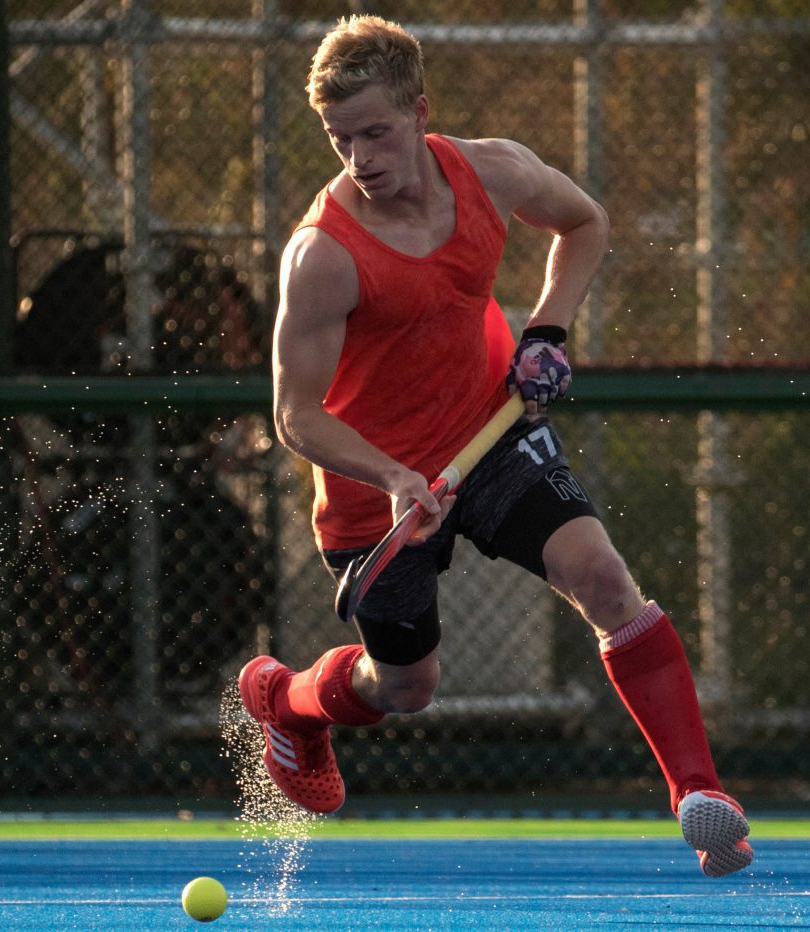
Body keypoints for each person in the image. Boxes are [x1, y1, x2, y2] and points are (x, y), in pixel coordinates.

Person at [238, 15, 753, 878]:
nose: (359, 157)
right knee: (406, 688)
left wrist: (548, 328)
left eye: (375, 132)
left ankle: (703, 799)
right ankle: (290, 705)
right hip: (379, 491)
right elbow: (295, 417)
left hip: (492, 433)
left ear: (419, 110)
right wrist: (394, 473)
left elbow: (584, 223)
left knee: (604, 579)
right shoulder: (321, 256)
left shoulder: (492, 169)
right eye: (340, 139)